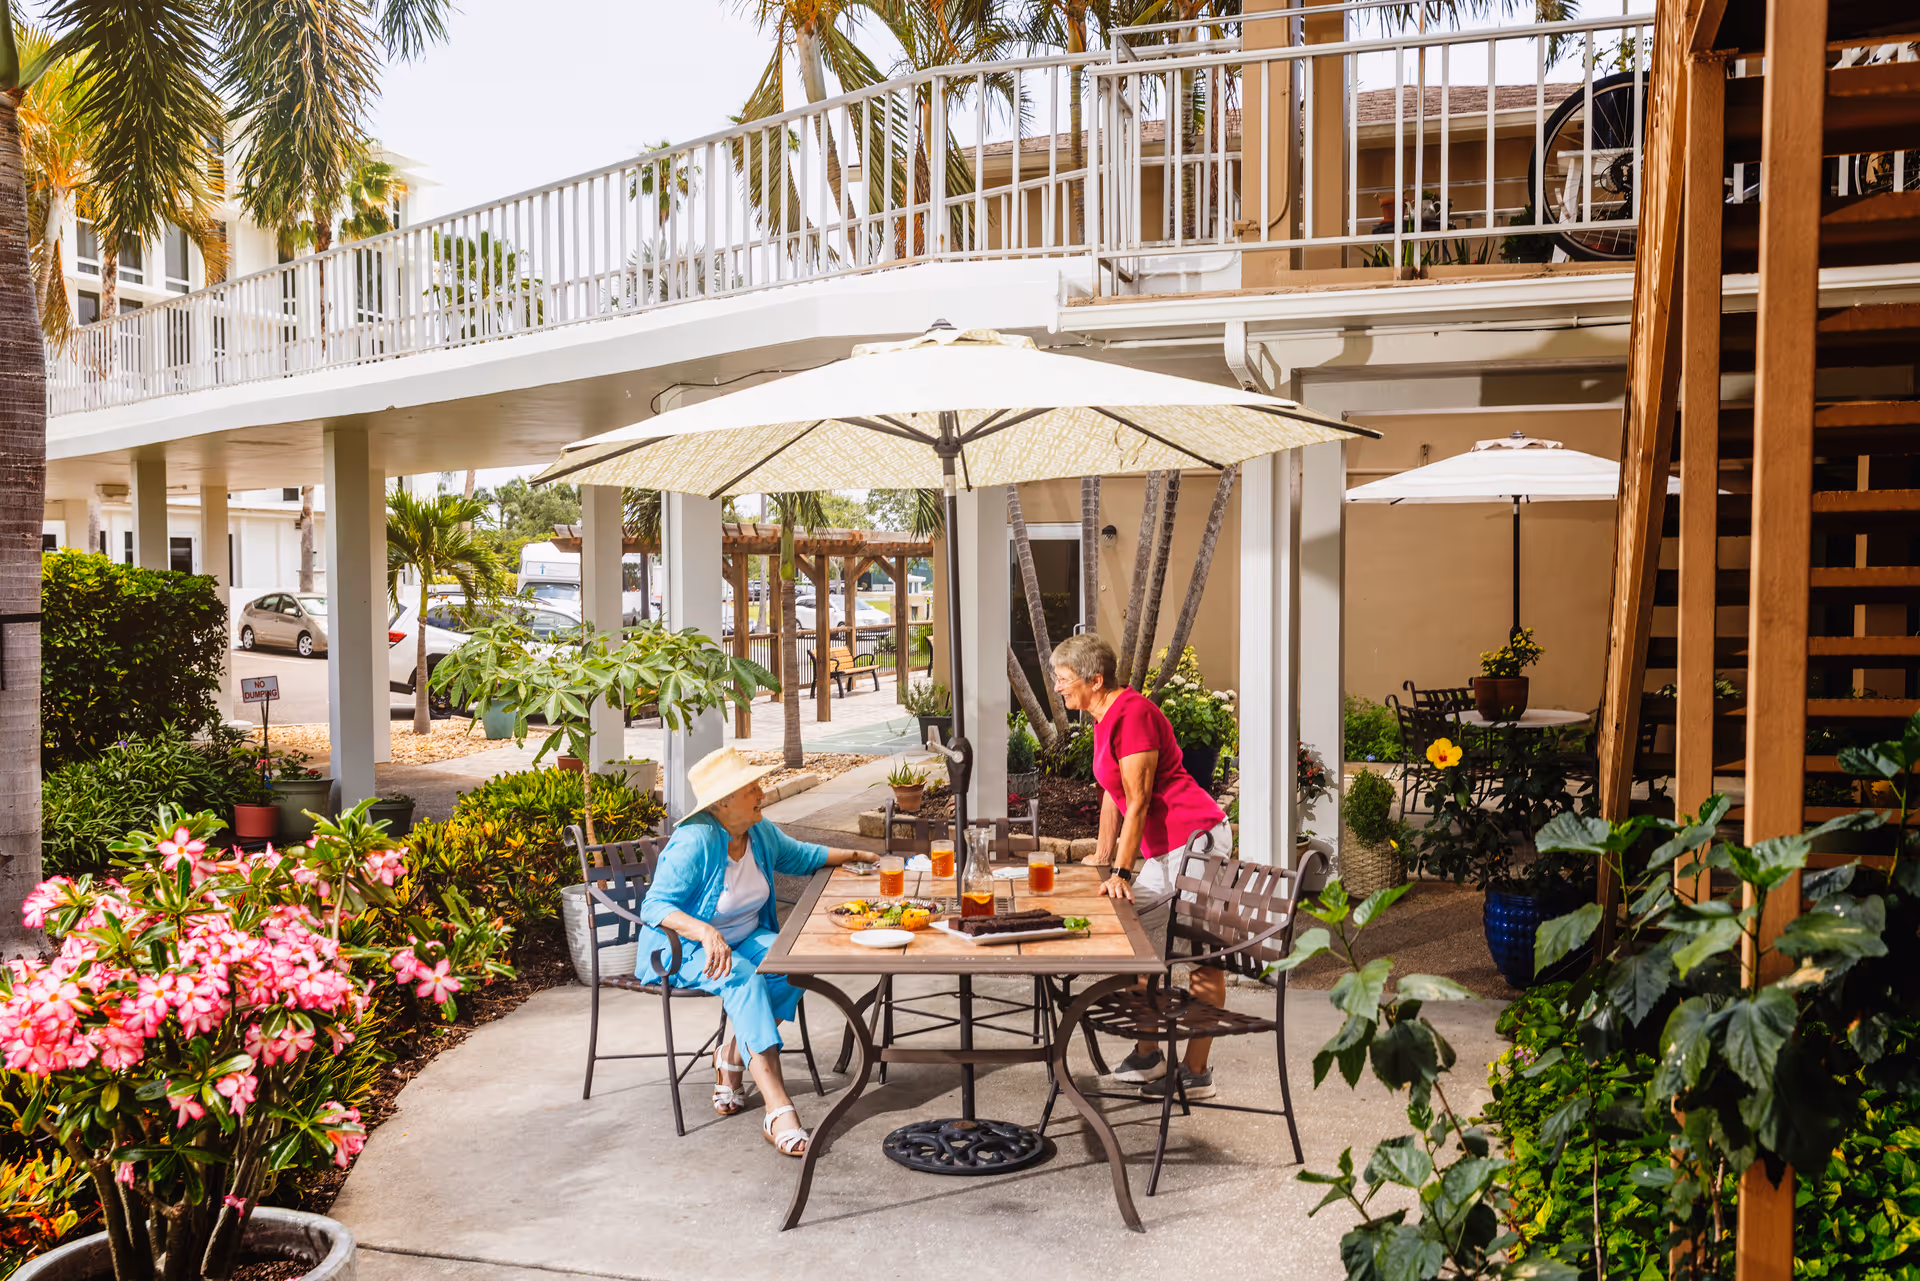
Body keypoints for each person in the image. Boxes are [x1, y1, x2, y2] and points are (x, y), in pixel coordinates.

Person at [637, 746, 878, 1156]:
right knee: (745, 979)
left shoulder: (759, 833)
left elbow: (805, 856)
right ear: (724, 801)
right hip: (685, 949)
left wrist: (862, 856)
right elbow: (654, 906)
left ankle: (730, 1054)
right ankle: (778, 1108)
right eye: (753, 787)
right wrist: (704, 931)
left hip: (745, 938)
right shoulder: (695, 840)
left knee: (793, 961)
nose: (763, 792)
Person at [1051, 632, 1231, 1100]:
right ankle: (1148, 1055)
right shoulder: (1102, 716)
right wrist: (1104, 855)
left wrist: (1123, 874)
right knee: (1137, 942)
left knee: (1200, 956)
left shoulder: (1132, 715)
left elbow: (1139, 799)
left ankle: (1195, 1072)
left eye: (1064, 679)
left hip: (1196, 842)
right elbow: (1113, 793)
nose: (1058, 687)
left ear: (1095, 678)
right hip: (1162, 851)